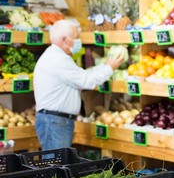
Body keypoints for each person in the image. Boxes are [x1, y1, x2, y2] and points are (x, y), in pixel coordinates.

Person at [33, 20, 124, 152]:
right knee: (55, 166)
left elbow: (81, 76)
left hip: (56, 121)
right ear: (64, 40)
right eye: (76, 38)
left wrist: (104, 67)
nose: (79, 42)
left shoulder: (57, 56)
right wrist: (109, 68)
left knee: (57, 164)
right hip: (54, 122)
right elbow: (86, 81)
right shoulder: (57, 59)